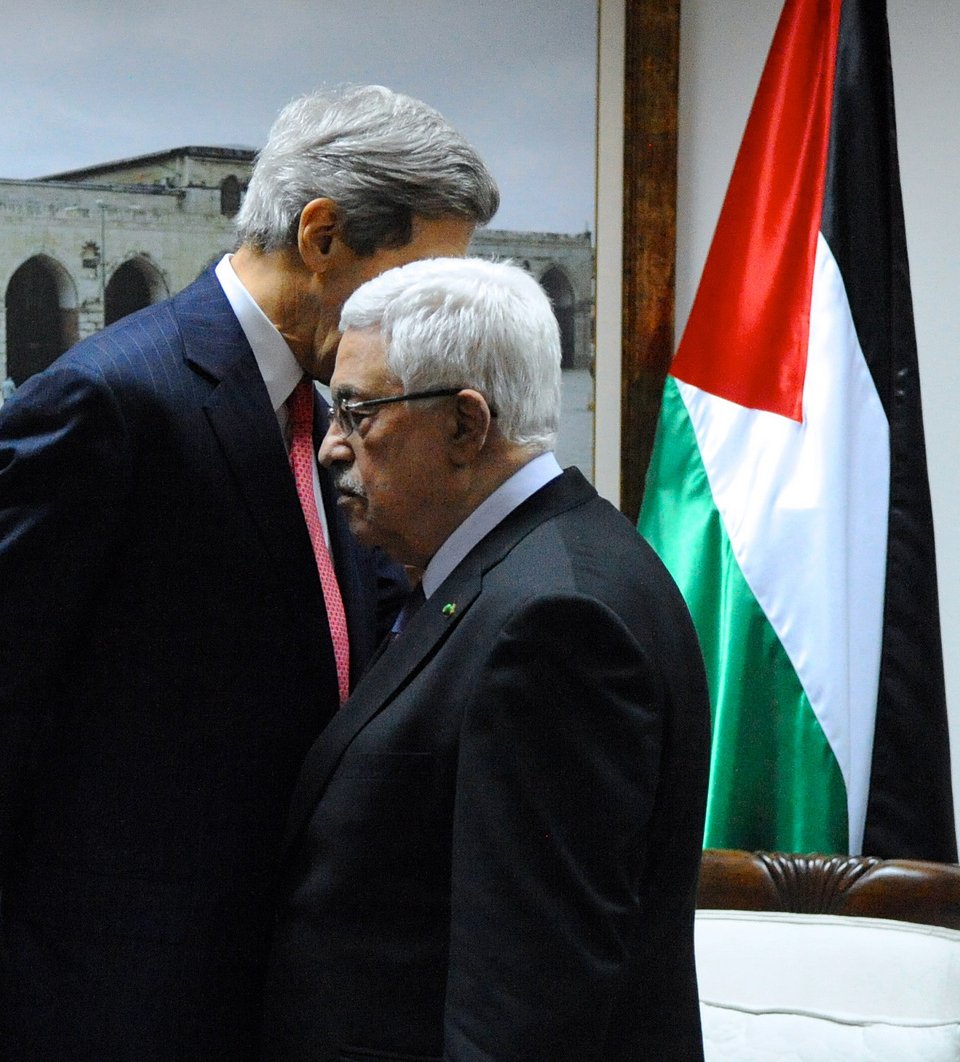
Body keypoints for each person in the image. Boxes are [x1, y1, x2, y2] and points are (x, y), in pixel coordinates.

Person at [0, 86, 498, 1062]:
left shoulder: (332, 416)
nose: (428, 324)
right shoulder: (105, 404)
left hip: (285, 992)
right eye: (417, 282)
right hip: (118, 1004)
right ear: (322, 235)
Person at [265, 257, 713, 1061]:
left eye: (358, 412)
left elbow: (526, 1004)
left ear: (467, 426)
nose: (332, 446)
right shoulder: (526, 568)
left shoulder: (553, 623)